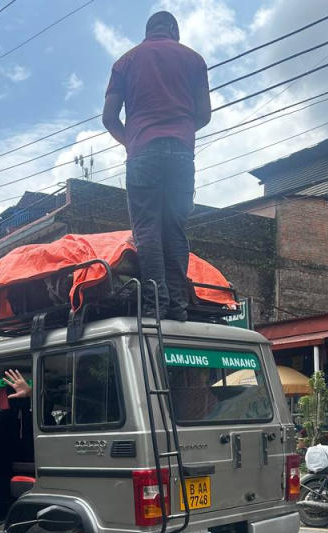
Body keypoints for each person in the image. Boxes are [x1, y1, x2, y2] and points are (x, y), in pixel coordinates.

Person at [102, 11, 211, 322]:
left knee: (147, 229)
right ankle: (178, 306)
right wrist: (179, 133)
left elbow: (109, 118)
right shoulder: (193, 59)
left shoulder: (125, 62)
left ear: (147, 31)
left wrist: (133, 142)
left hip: (142, 153)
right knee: (174, 230)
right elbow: (203, 114)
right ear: (173, 30)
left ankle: (156, 305)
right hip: (180, 154)